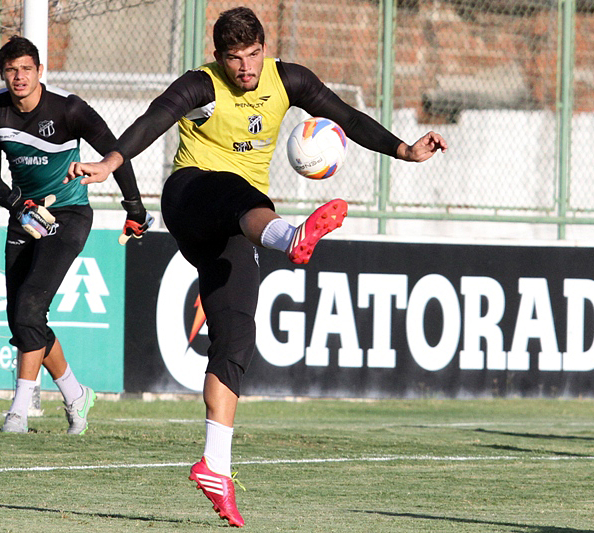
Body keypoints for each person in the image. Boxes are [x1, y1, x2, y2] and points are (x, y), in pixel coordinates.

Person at [66, 7, 447, 526]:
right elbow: (155, 118)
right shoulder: (202, 85)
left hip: (240, 225)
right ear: (218, 57)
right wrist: (110, 162)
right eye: (234, 58)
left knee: (237, 334)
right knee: (235, 189)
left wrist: (405, 149)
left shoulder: (287, 80)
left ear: (264, 50)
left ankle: (214, 466)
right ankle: (291, 237)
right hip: (191, 196)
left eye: (253, 55)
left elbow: (347, 117)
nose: (245, 67)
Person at [0, 36, 151, 434]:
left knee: (30, 306)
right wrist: (19, 205)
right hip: (25, 216)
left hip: (69, 214)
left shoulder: (69, 109)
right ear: (2, 74)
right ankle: (75, 394)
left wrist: (135, 208)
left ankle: (18, 411)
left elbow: (115, 154)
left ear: (40, 71)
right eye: (11, 70)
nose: (19, 77)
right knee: (22, 320)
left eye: (26, 69)